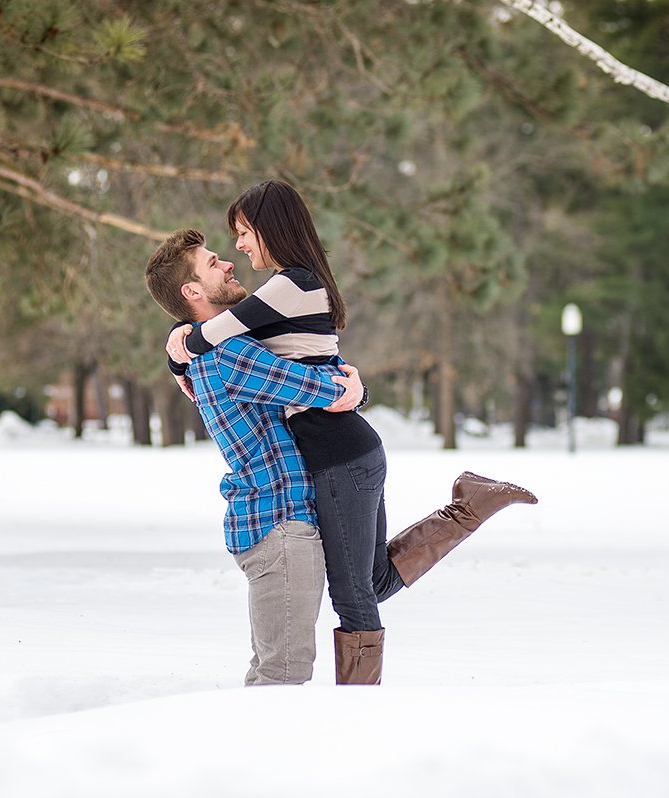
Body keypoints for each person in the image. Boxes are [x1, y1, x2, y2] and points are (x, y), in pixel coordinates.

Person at [162, 180, 537, 685]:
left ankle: (358, 705)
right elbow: (311, 362)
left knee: (355, 593)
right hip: (342, 450)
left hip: (338, 453)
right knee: (371, 580)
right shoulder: (260, 317)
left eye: (244, 233)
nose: (235, 253)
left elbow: (258, 355)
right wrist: (179, 351)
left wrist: (182, 346)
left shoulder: (285, 287)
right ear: (192, 290)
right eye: (217, 259)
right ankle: (469, 506)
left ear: (270, 229)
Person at [147, 228, 363, 686]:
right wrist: (354, 384)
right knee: (280, 677)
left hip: (274, 523)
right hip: (280, 524)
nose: (228, 264)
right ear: (193, 292)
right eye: (212, 264)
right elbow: (322, 390)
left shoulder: (217, 347)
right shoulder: (227, 354)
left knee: (275, 672)